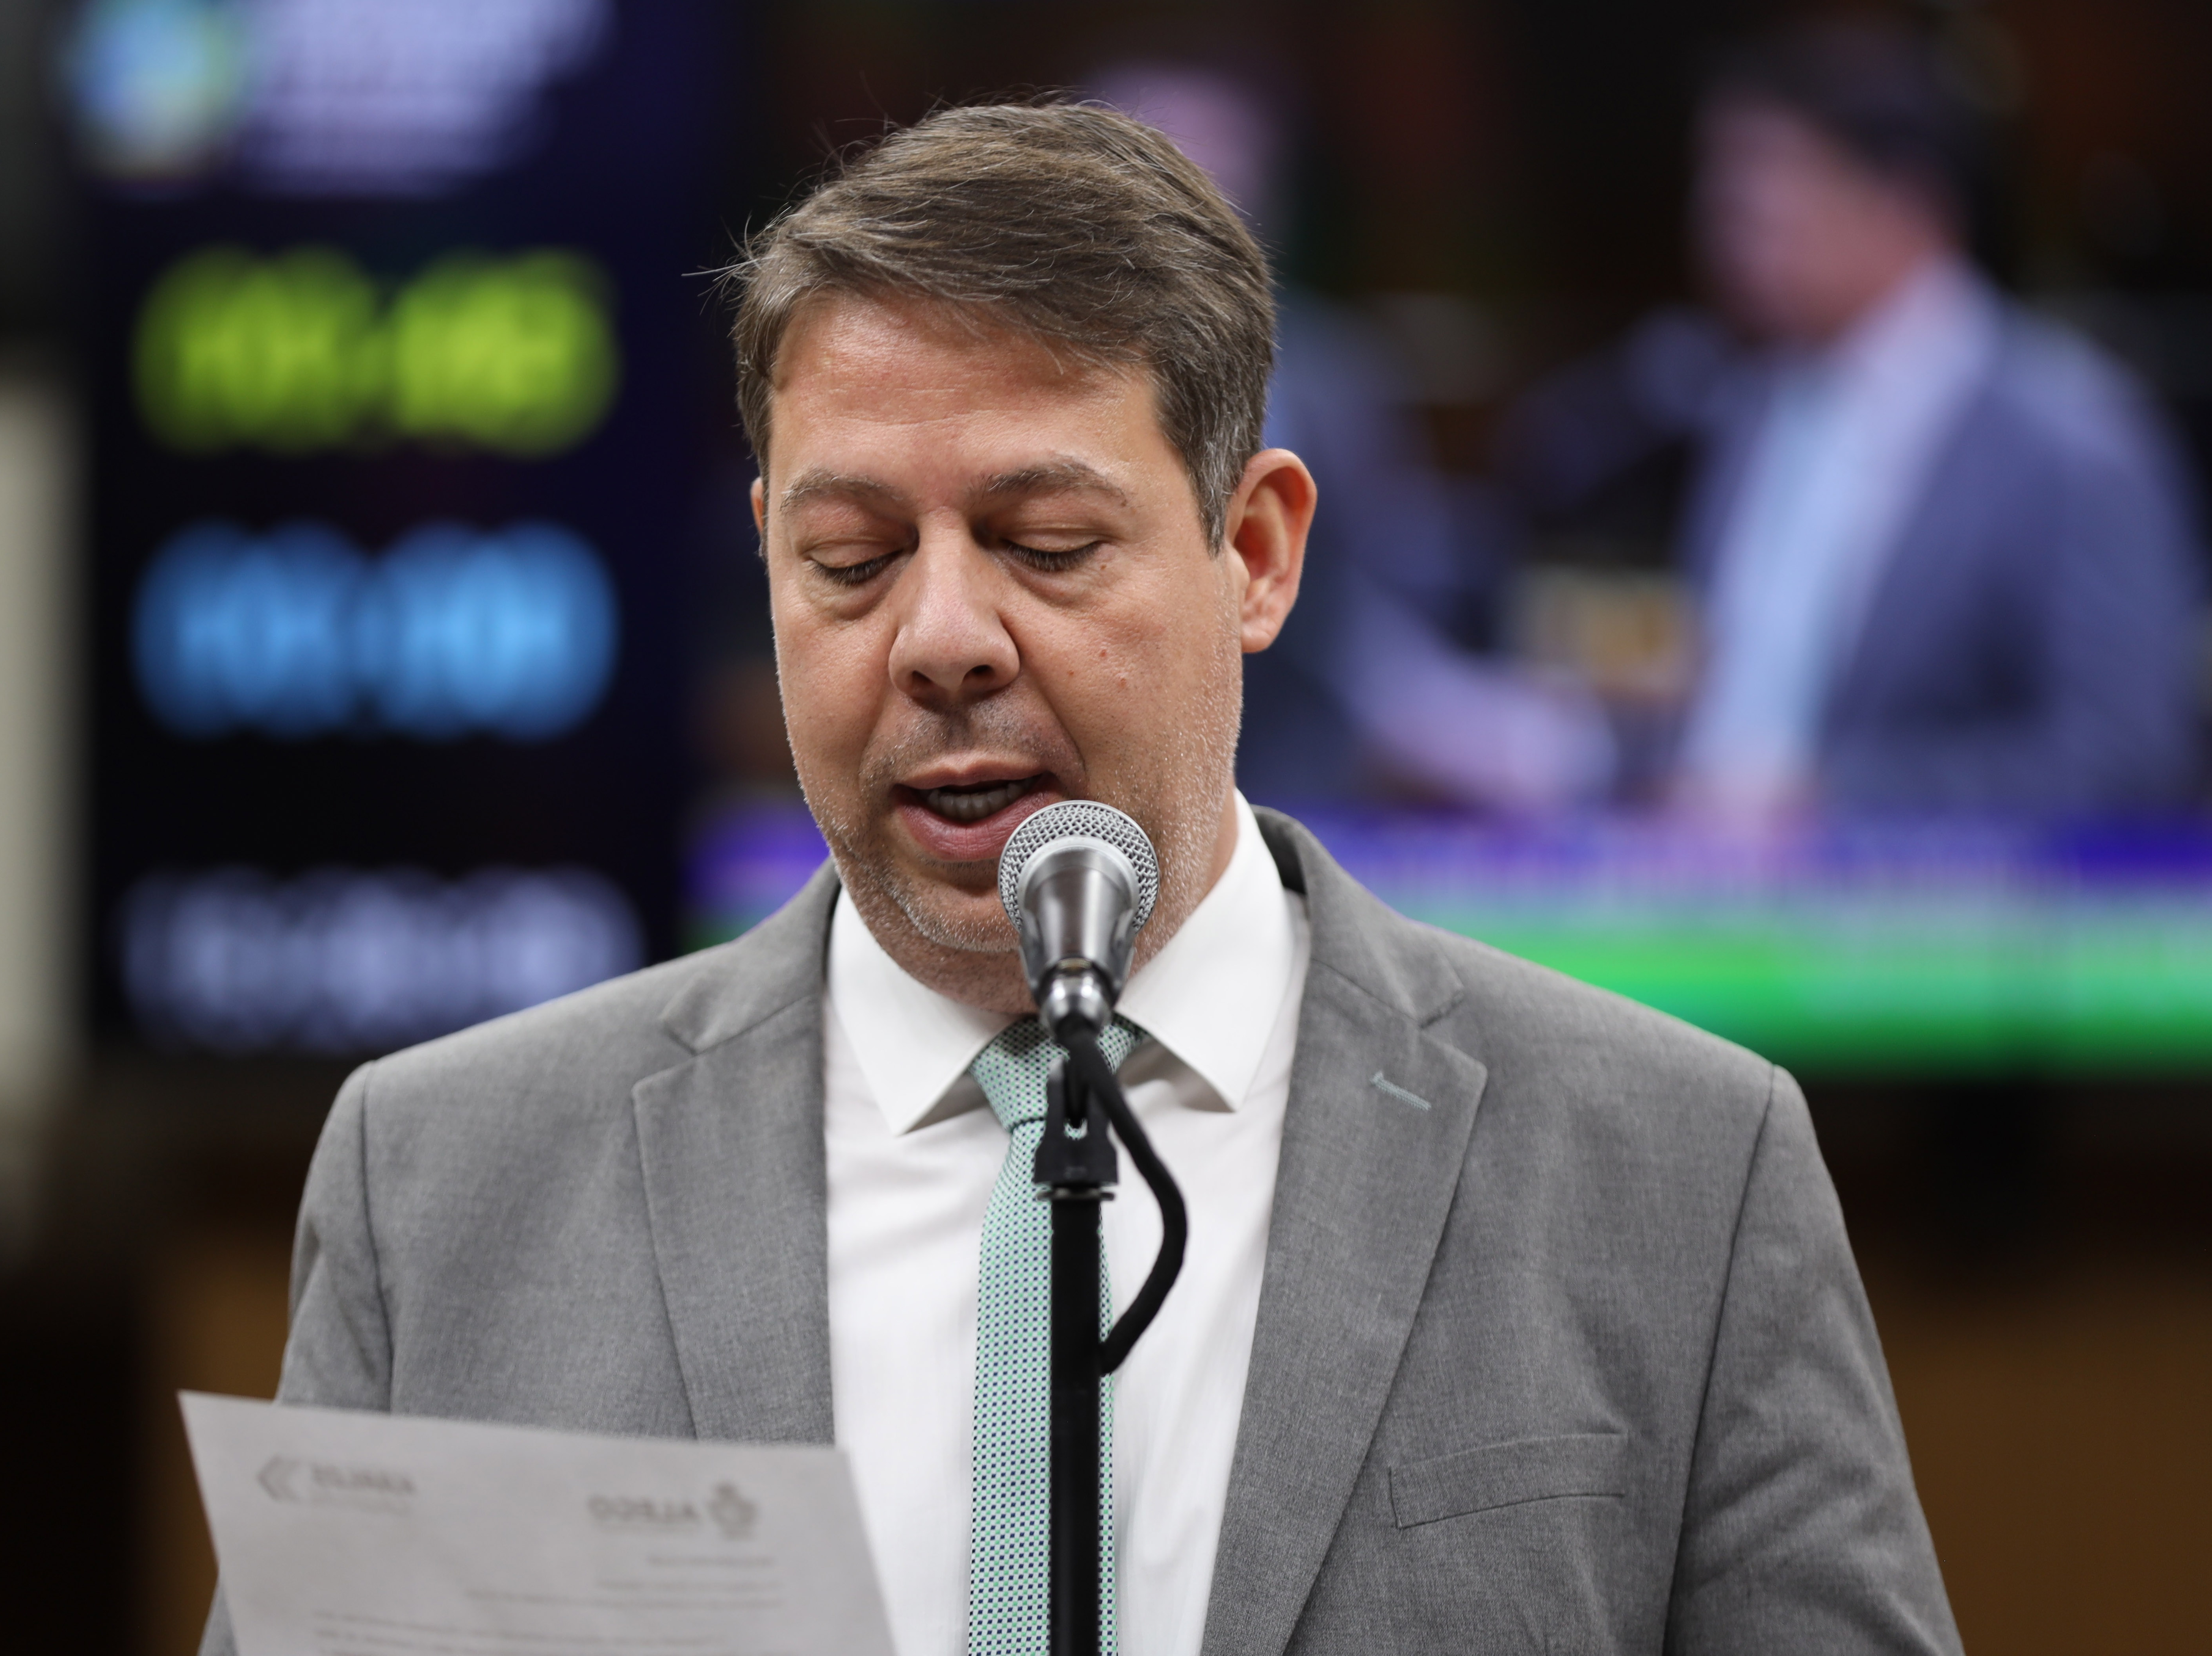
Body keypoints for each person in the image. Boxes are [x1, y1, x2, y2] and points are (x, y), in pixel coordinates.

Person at [203, 104, 1956, 1654]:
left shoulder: (1678, 1175)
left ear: (1252, 550)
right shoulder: (442, 1186)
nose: (940, 638)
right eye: (849, 559)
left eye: (1043, 545)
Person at [1505, 19, 2202, 820]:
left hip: (1929, 897)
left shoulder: (2073, 442)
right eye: (1719, 191)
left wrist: (1830, 799)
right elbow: (1744, 717)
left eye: (1764, 189)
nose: (1726, 230)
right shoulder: (1753, 403)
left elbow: (2123, 757)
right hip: (1697, 879)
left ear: (1903, 203)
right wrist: (1581, 751)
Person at [1090, 58, 1616, 813]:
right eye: (1174, 174)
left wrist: (1449, 714)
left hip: (1300, 788)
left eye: (1234, 176)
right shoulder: (1019, 380)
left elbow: (1367, 608)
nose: (1212, 207)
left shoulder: (1327, 375)